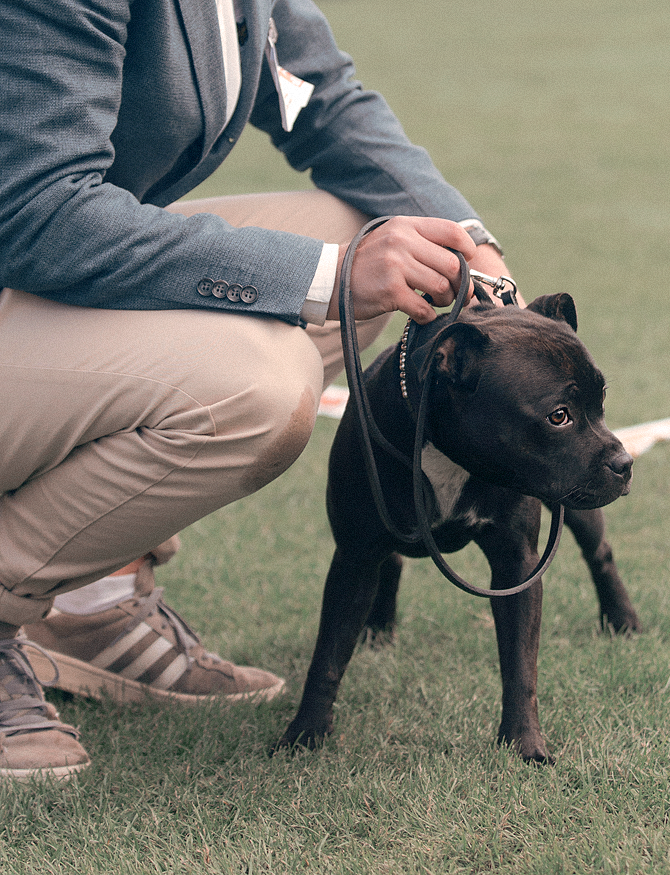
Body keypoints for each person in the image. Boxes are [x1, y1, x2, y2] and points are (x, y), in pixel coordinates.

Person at [0, 0, 511, 781]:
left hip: (30, 280)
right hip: (30, 248)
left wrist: (469, 244)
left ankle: (87, 602)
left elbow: (324, 98)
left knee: (381, 235)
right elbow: (39, 213)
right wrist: (329, 276)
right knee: (257, 392)